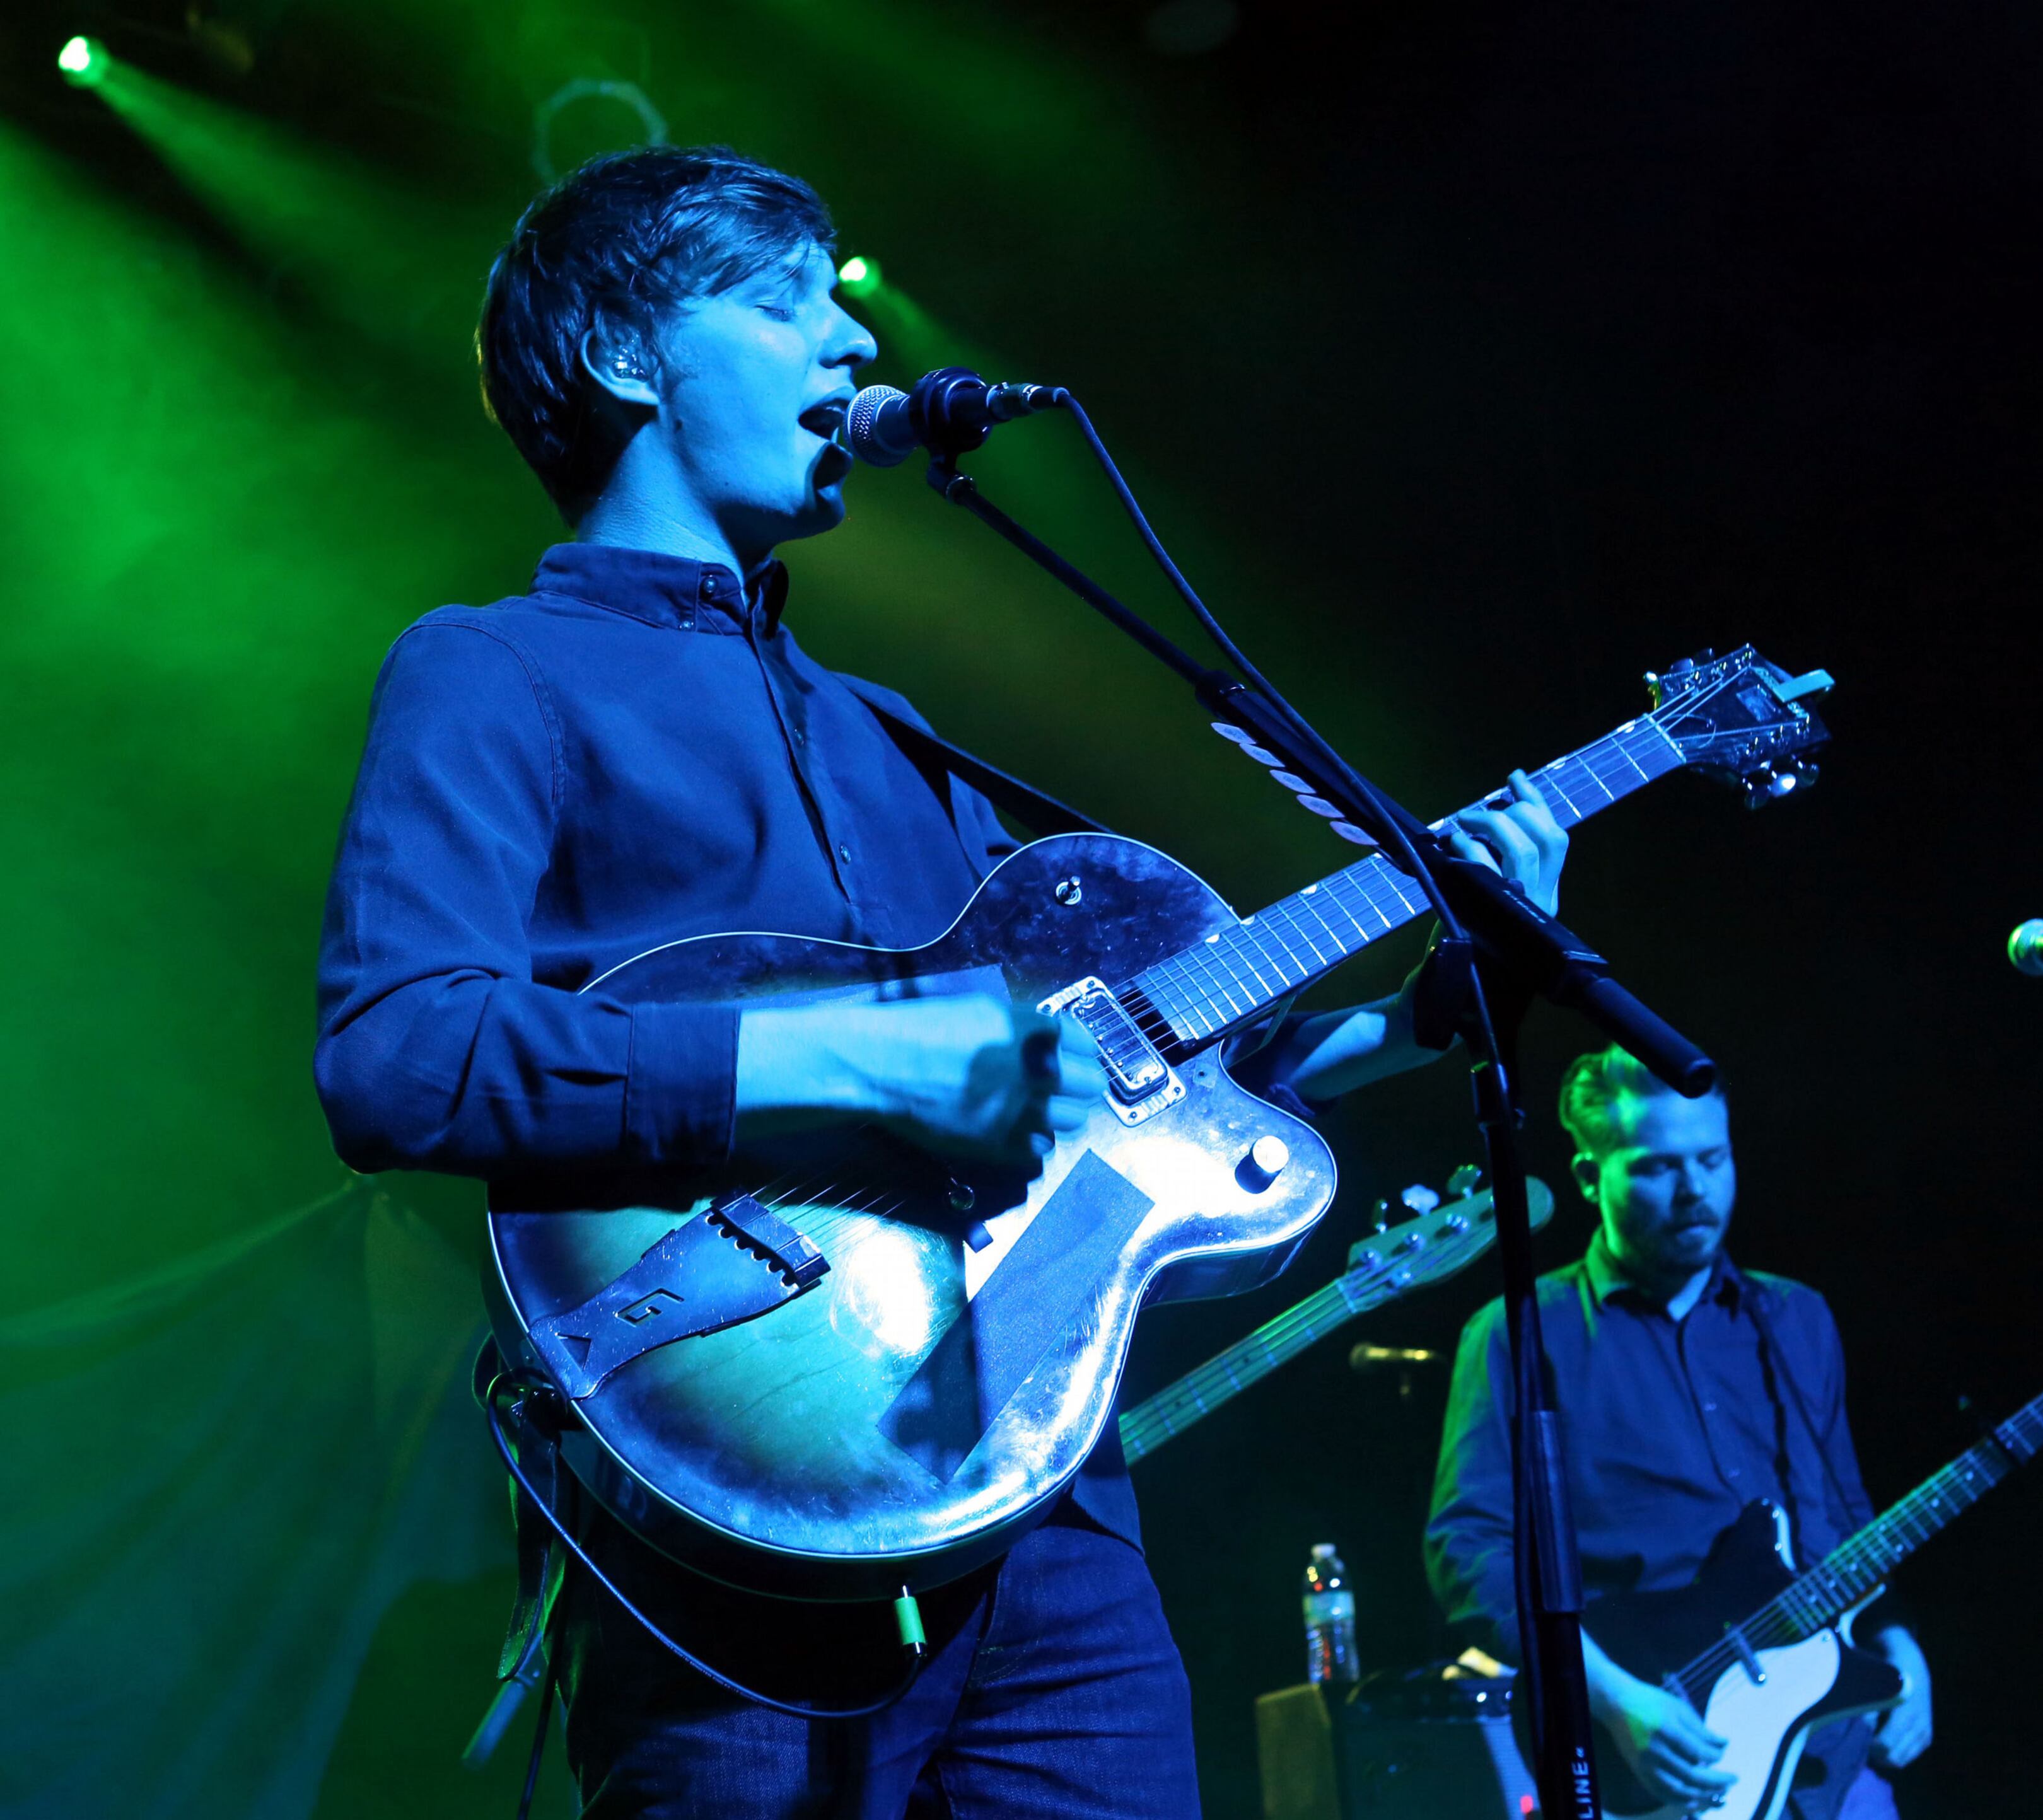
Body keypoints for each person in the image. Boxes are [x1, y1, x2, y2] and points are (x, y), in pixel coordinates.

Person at [313, 144, 1568, 1820]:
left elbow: (1138, 1060)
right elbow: (400, 1052)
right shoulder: (495, 669)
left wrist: (1427, 995)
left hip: (1052, 1503)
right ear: (626, 354)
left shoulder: (891, 730)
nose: (853, 345)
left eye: (846, 301)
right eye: (785, 305)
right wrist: (856, 1059)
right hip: (736, 1518)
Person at [1424, 1045, 1931, 1819]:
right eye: (1659, 1167)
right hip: (1664, 1751)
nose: (1697, 1190)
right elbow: (1470, 1550)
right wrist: (1621, 1702)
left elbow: (1843, 1514)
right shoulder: (1517, 1333)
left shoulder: (1797, 1317)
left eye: (1714, 1157)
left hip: (1830, 1743)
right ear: (1591, 1177)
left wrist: (1895, 1639)